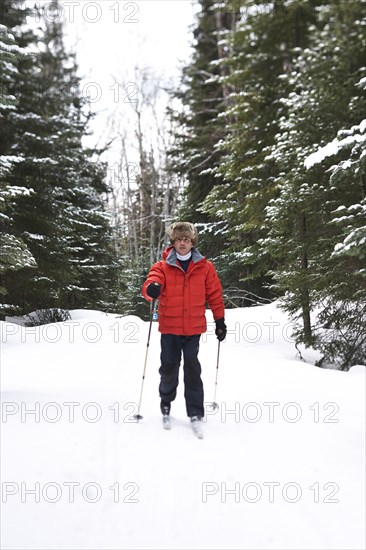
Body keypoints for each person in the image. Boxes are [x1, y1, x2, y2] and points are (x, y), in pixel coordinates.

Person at [141, 221, 227, 430]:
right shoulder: (162, 266)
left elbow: (215, 295)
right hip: (170, 328)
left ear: (192, 242)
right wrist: (151, 289)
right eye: (179, 239)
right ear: (173, 241)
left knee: (192, 368)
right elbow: (151, 282)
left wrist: (220, 321)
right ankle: (166, 403)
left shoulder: (205, 267)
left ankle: (196, 411)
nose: (182, 243)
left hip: (193, 328)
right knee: (169, 367)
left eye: (186, 239)